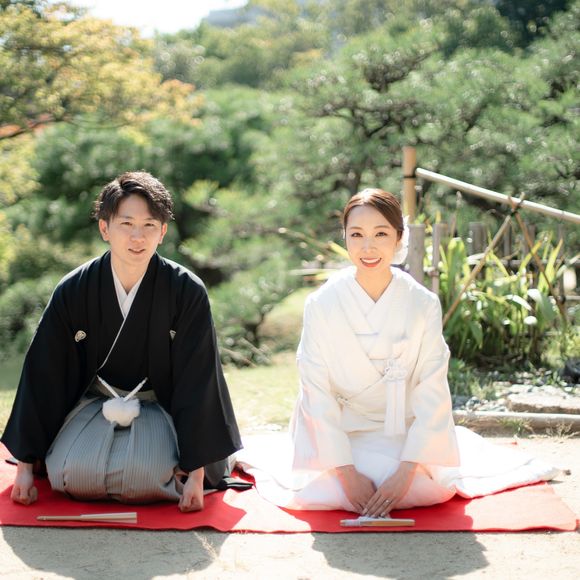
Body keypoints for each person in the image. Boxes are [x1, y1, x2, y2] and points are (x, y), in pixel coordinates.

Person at [237, 188, 559, 514]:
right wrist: (346, 473)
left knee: (423, 488)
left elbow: (432, 389)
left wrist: (406, 471)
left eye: (380, 234)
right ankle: (347, 474)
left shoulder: (422, 303)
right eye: (357, 234)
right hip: (339, 433)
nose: (368, 246)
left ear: (399, 237)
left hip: (402, 432)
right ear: (345, 237)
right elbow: (315, 391)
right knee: (329, 490)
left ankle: (405, 472)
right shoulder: (322, 304)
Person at [2, 171, 242, 512]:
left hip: (160, 406)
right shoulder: (74, 289)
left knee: (144, 476)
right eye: (126, 224)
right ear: (105, 228)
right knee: (69, 475)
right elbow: (44, 374)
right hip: (94, 403)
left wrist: (197, 473)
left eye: (149, 225)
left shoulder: (186, 291)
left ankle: (191, 462)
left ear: (162, 231)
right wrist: (26, 467)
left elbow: (198, 380)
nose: (137, 237)